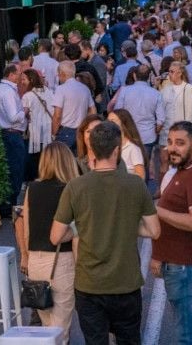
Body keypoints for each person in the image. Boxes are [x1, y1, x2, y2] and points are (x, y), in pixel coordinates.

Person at [50, 121, 160, 345]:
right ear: (117, 149)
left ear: (91, 147)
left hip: (89, 285)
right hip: (126, 283)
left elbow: (56, 236)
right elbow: (154, 230)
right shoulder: (135, 185)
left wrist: (84, 225)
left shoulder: (76, 186)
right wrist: (126, 221)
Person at [149, 121, 192, 343]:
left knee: (188, 334)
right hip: (181, 263)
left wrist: (157, 211)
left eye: (180, 143)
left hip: (185, 265)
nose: (172, 148)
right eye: (170, 142)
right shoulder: (184, 170)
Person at [19, 142, 80, 338]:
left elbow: (26, 227)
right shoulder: (70, 189)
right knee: (60, 329)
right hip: (61, 260)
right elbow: (78, 227)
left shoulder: (32, 188)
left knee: (47, 328)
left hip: (36, 261)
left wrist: (26, 256)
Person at [114, 64, 165, 172]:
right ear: (149, 76)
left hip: (128, 135)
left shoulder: (124, 91)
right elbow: (161, 120)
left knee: (126, 167)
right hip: (148, 135)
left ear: (134, 75)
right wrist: (155, 131)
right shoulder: (156, 94)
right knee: (143, 167)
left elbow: (117, 112)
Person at [0, 64, 28, 208]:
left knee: (11, 169)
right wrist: (25, 111)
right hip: (12, 134)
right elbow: (13, 117)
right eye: (19, 73)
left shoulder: (1, 89)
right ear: (12, 75)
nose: (21, 76)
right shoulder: (7, 92)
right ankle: (9, 205)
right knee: (15, 170)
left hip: (7, 134)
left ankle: (7, 203)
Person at [51, 61, 96, 151]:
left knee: (63, 161)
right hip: (81, 130)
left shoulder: (61, 89)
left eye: (58, 75)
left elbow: (57, 115)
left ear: (62, 74)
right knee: (78, 160)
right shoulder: (85, 88)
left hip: (65, 131)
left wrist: (54, 132)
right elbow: (93, 111)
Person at [21, 68, 54, 182]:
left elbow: (23, 114)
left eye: (24, 79)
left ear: (30, 80)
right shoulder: (48, 91)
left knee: (34, 159)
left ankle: (34, 182)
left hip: (35, 132)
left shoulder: (27, 96)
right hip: (48, 131)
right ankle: (46, 177)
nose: (22, 82)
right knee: (45, 157)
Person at [158, 62, 192, 147]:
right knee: (164, 158)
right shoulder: (165, 89)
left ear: (179, 73)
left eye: (172, 72)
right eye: (169, 72)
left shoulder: (188, 88)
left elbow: (189, 112)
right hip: (166, 130)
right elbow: (161, 109)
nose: (169, 74)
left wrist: (187, 132)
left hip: (180, 130)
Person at [107, 109, 147, 178]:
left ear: (123, 123)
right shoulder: (109, 145)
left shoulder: (133, 148)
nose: (108, 125)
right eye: (108, 121)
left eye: (112, 121)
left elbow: (141, 176)